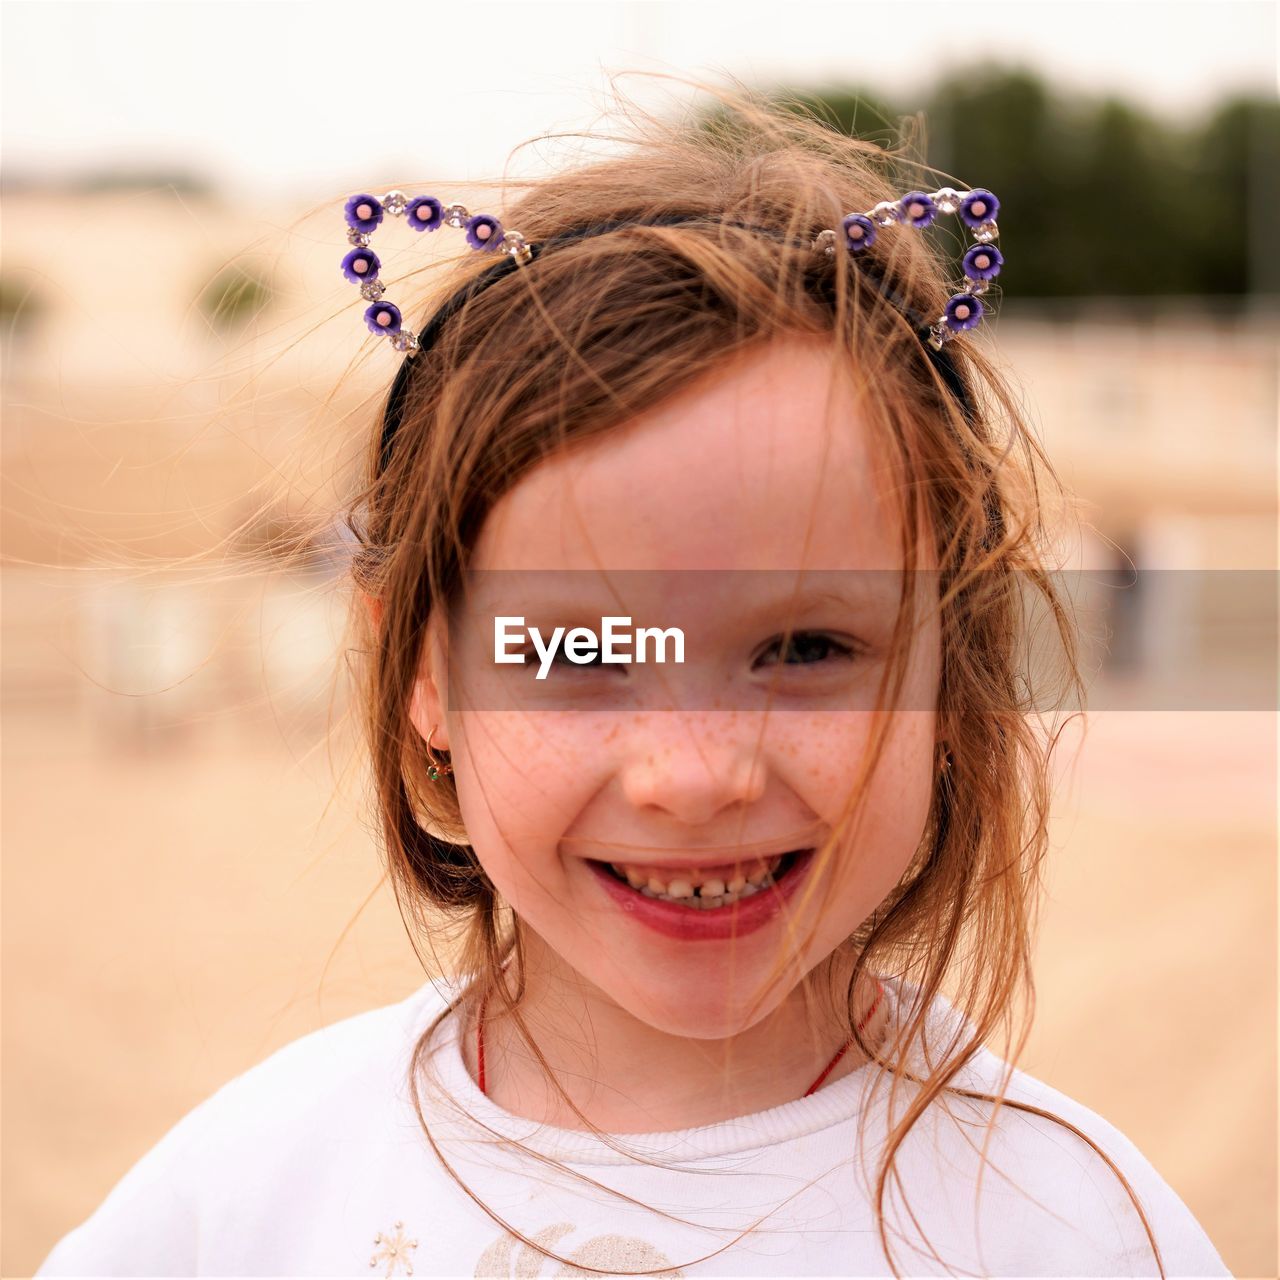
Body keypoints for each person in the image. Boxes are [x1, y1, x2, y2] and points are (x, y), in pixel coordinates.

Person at [36, 82, 1231, 1278]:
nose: (694, 774)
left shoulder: (1080, 1231)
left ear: (953, 670)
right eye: (580, 651)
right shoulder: (244, 1204)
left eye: (806, 648)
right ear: (419, 669)